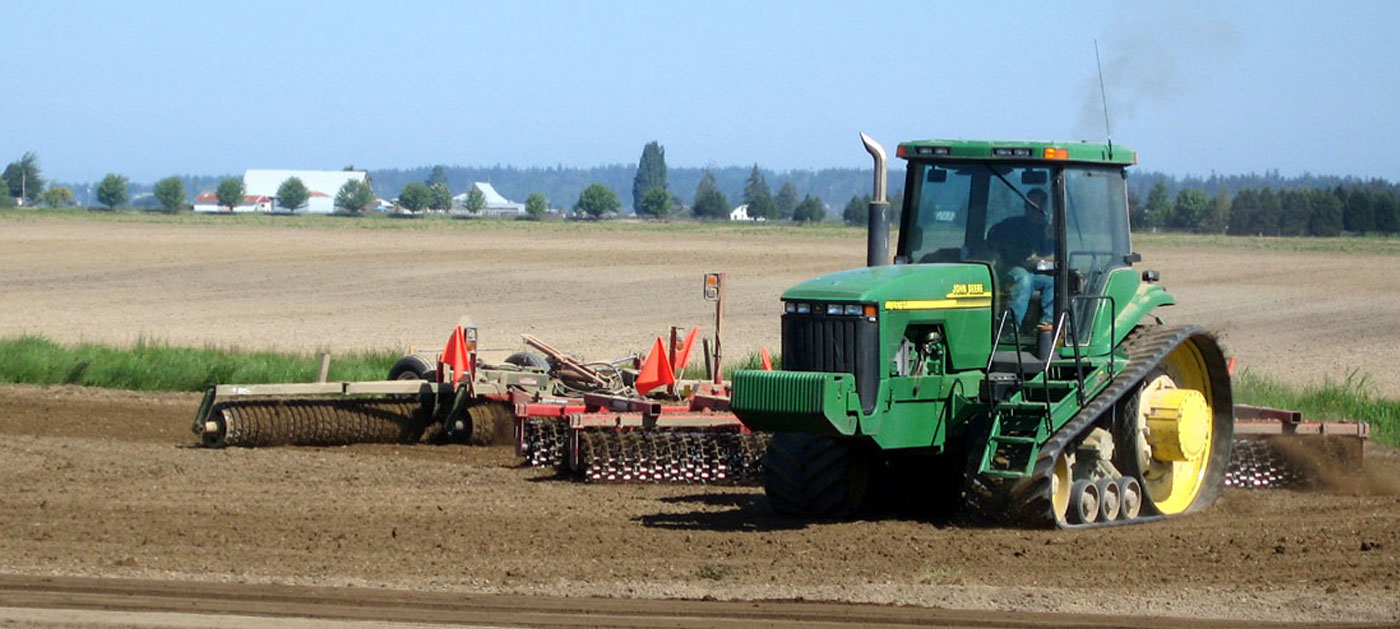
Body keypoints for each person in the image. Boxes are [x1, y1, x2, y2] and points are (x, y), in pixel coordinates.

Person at [987, 188, 1054, 332]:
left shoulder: (1048, 230)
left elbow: (1056, 256)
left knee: (1053, 283)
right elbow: (1013, 255)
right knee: (1024, 279)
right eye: (1031, 206)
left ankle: (1047, 326)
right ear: (1026, 207)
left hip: (1034, 272)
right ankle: (1011, 326)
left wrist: (1039, 260)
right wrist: (1030, 260)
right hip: (1007, 269)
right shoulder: (1012, 226)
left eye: (1040, 207)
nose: (1035, 211)